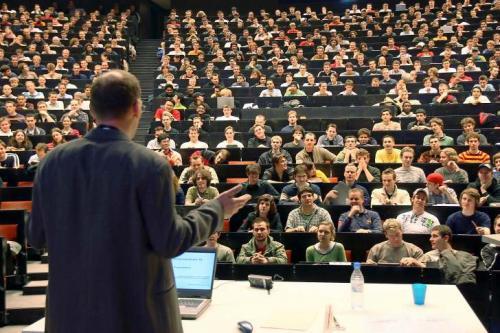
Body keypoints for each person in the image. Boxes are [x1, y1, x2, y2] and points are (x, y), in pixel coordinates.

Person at [28, 70, 250, 333]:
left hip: (69, 316)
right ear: (136, 107)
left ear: (93, 111)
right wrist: (216, 210)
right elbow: (170, 241)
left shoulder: (52, 162)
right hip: (136, 316)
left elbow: (36, 237)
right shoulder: (150, 164)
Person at [406, 225, 477, 285]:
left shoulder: (464, 256)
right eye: (431, 236)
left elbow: (460, 276)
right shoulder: (428, 255)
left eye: (435, 236)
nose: (430, 239)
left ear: (446, 238)